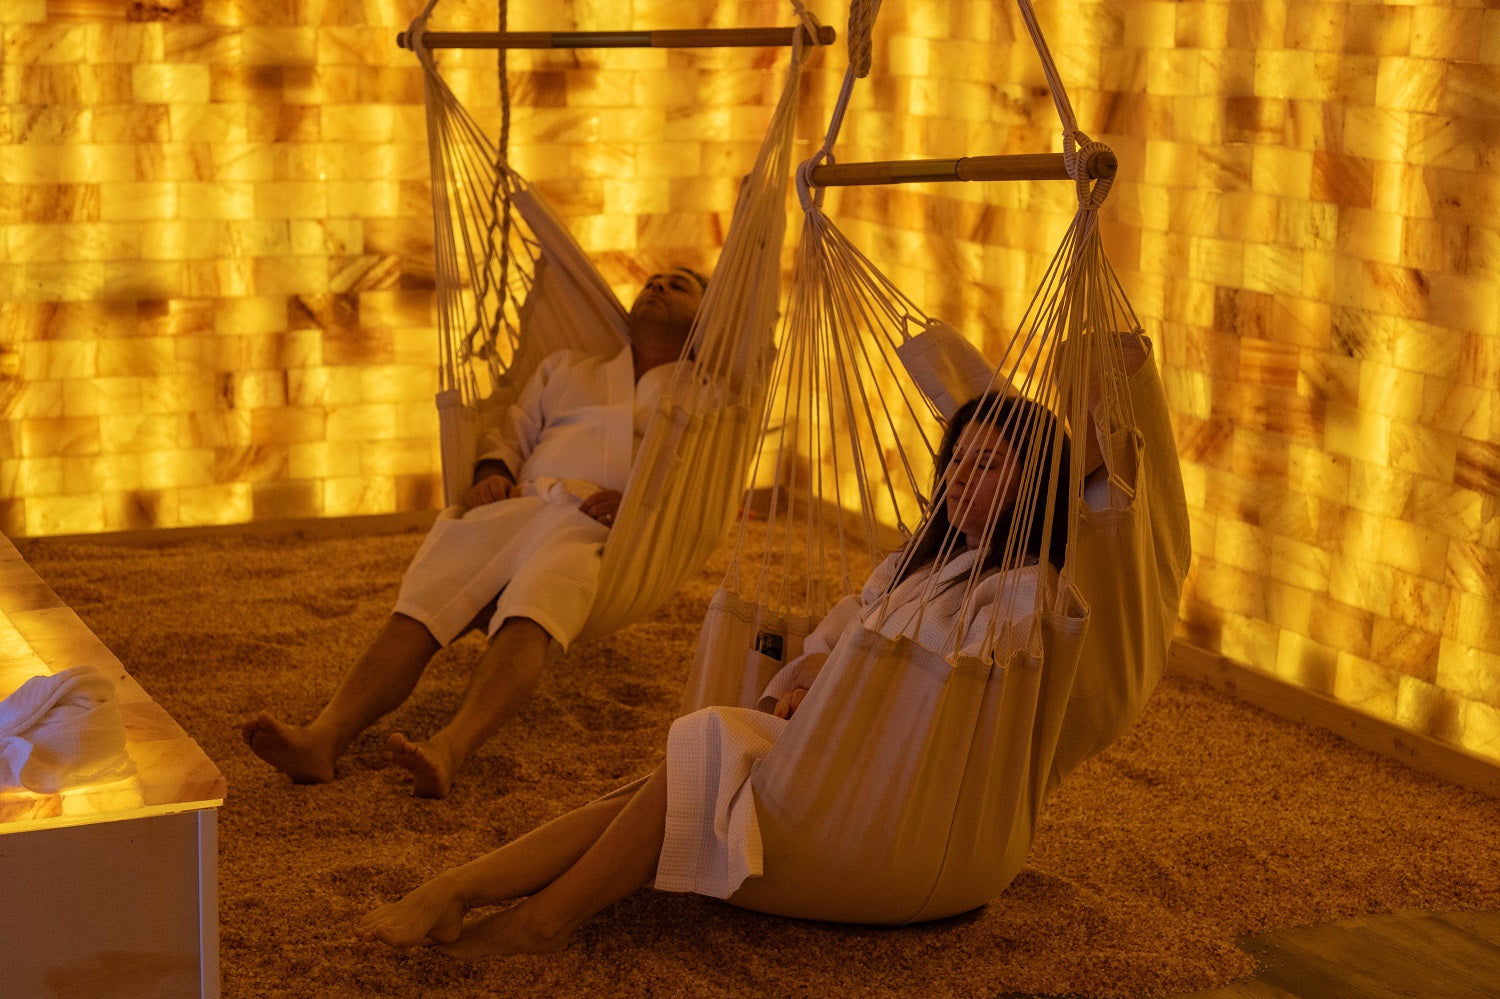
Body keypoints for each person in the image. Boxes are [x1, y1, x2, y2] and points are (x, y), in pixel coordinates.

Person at [354, 372, 1086, 956]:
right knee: (656, 784)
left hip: (888, 793)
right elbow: (836, 639)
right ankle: (466, 888)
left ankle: (535, 919)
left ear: (1033, 485)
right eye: (957, 458)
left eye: (988, 465)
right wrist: (804, 686)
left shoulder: (1022, 595)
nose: (960, 476)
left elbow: (942, 693)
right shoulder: (916, 562)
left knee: (699, 746)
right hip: (823, 745)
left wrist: (834, 693)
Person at [241, 267, 708, 798]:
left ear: (708, 315)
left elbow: (698, 483)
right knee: (423, 602)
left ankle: (450, 748)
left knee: (535, 608)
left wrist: (639, 506)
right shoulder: (568, 368)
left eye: (679, 285)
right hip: (521, 503)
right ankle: (322, 738)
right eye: (652, 281)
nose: (658, 287)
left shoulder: (708, 401)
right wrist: (493, 472)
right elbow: (512, 433)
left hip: (597, 531)